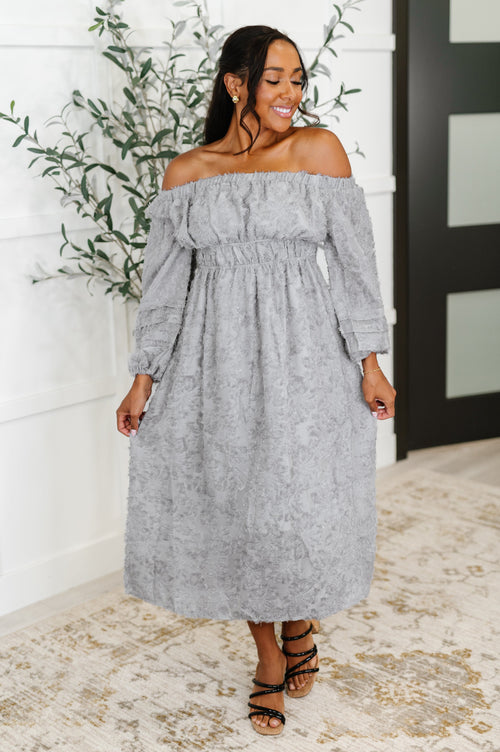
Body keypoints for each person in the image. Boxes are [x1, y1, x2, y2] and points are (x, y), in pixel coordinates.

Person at [116, 24, 396, 737]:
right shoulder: (188, 173)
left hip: (306, 356)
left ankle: (300, 618)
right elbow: (164, 289)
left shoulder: (318, 150)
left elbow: (355, 266)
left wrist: (370, 361)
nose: (289, 93)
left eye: (297, 79)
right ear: (235, 84)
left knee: (291, 506)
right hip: (215, 364)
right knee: (236, 509)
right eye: (274, 79)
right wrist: (144, 378)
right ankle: (270, 653)